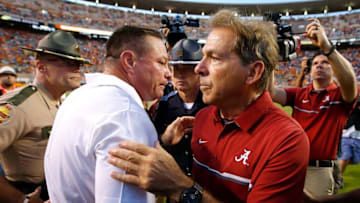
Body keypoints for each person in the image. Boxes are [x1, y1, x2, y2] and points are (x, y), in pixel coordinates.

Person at [107, 10, 310, 203]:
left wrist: (181, 188)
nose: (199, 68)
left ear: (252, 73)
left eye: (214, 58)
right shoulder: (203, 118)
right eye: (203, 56)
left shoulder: (286, 140)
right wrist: (165, 145)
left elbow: (187, 187)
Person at [44, 26, 171, 203]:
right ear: (129, 61)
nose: (168, 73)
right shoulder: (126, 115)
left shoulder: (77, 97)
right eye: (161, 62)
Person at [268, 19, 357, 197]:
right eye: (315, 63)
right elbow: (270, 92)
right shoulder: (300, 94)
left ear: (334, 69)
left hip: (319, 170)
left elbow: (350, 82)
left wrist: (327, 48)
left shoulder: (338, 96)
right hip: (290, 165)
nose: (319, 66)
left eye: (325, 63)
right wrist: (271, 55)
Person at [0, 30, 89, 202]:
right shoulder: (19, 106)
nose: (78, 69)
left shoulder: (58, 101)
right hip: (31, 191)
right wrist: (21, 199)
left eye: (79, 63)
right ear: (42, 67)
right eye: (69, 62)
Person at [153, 38, 207, 177]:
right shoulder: (164, 104)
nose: (180, 75)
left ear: (199, 71)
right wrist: (165, 139)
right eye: (176, 69)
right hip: (174, 180)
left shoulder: (213, 105)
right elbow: (152, 144)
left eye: (187, 69)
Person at [338, 93, 360, 187]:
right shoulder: (353, 101)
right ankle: (339, 178)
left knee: (355, 159)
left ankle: (336, 162)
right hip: (347, 133)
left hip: (358, 135)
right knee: (346, 155)